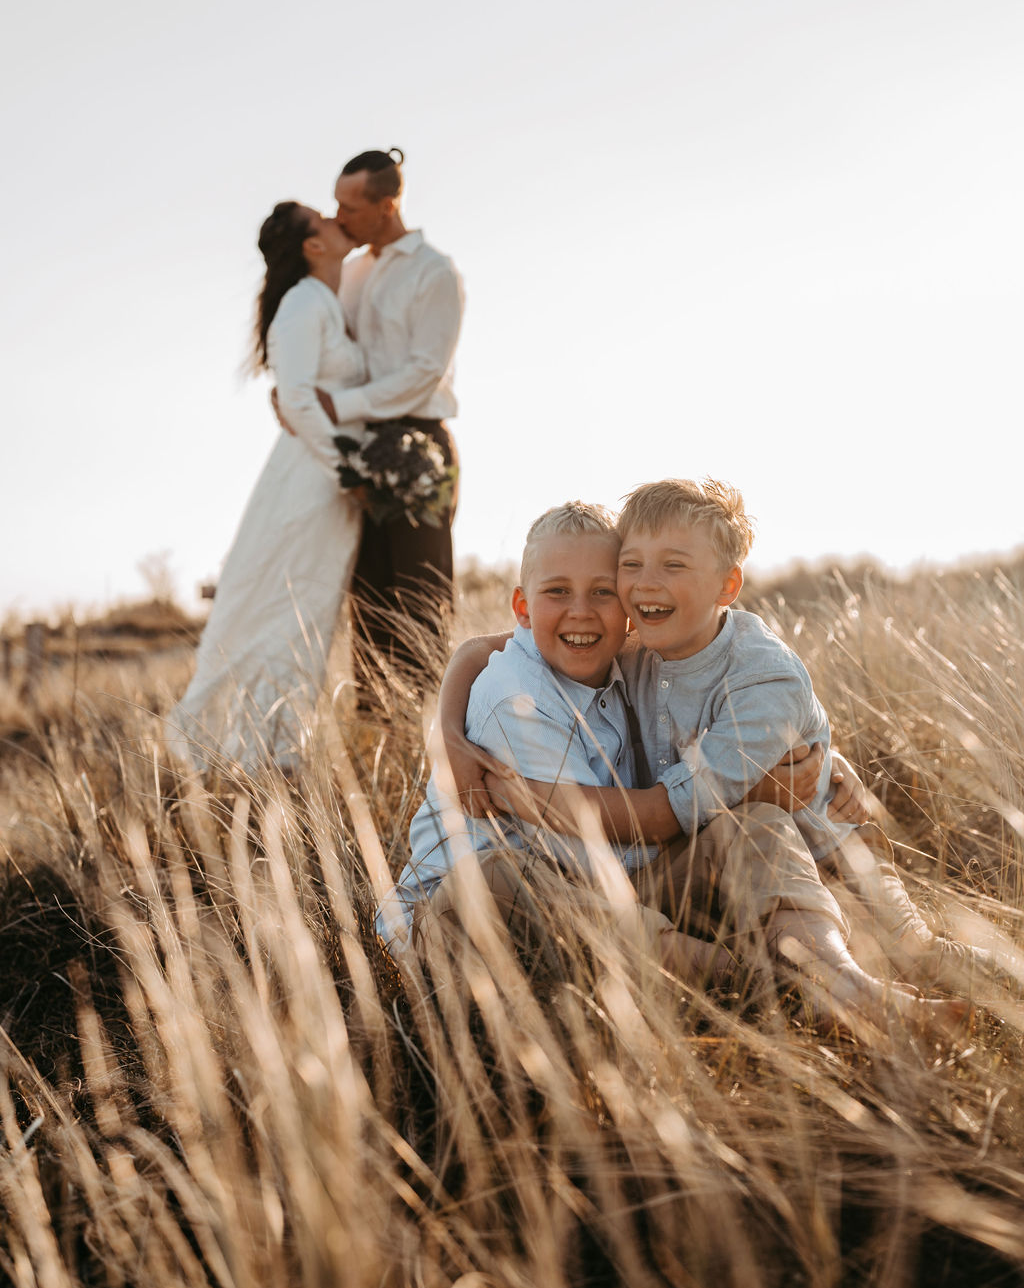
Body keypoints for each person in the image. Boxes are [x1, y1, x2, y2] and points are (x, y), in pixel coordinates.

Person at [435, 481, 973, 1034]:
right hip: (696, 871)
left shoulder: (757, 674)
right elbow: (484, 646)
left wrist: (517, 795)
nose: (646, 583)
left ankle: (851, 986)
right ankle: (768, 984)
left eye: (672, 565)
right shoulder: (631, 643)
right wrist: (448, 734)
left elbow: (664, 816)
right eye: (633, 565)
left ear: (727, 586)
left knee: (917, 950)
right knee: (494, 879)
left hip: (832, 858)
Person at [378, 502, 758, 985]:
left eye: (603, 592)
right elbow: (593, 856)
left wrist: (796, 772)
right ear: (523, 608)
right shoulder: (517, 697)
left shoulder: (629, 667)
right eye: (558, 591)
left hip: (590, 892)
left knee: (750, 829)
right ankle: (732, 975)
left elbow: (741, 706)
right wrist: (707, 809)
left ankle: (807, 955)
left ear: (630, 607)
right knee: (497, 877)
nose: (581, 611)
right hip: (450, 920)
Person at [169, 202, 364, 775]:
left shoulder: (328, 297)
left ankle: (277, 748)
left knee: (308, 608)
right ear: (313, 246)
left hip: (330, 477)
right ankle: (257, 754)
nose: (336, 219)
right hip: (313, 480)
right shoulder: (303, 302)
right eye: (322, 219)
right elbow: (297, 398)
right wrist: (349, 473)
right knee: (288, 605)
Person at [324, 148, 464, 711]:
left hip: (419, 446)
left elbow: (424, 370)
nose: (338, 218)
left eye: (349, 207)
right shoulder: (350, 272)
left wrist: (341, 404)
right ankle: (377, 728)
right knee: (369, 599)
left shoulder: (435, 271)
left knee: (421, 596)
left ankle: (430, 728)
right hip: (359, 444)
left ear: (387, 206)